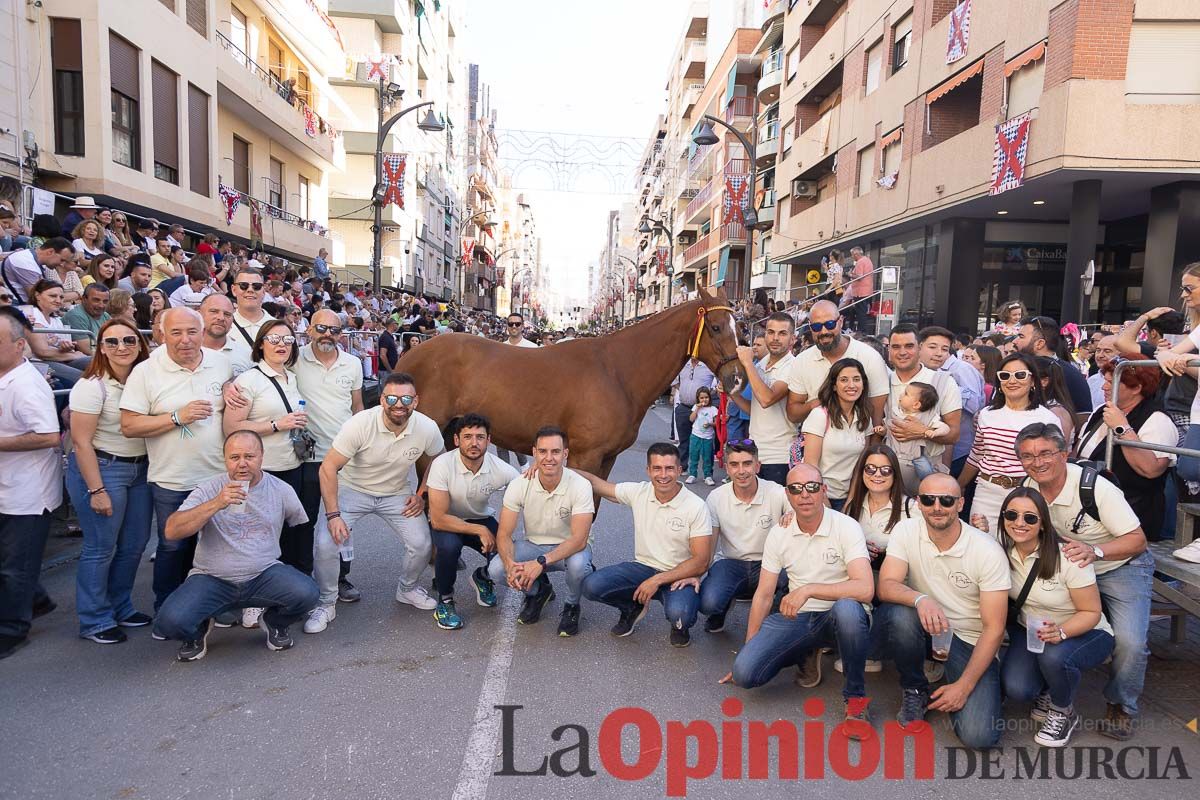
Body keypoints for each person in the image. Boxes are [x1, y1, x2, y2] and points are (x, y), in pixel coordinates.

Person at [1017, 422, 1152, 741]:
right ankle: (1053, 689)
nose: (1037, 462)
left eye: (1046, 453)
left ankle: (1121, 704)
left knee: (1131, 641)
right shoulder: (1029, 486)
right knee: (1047, 621)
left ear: (1065, 454)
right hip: (1072, 570)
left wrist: (1096, 551)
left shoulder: (1095, 488)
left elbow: (1138, 540)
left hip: (1120, 564)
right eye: (1027, 456)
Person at [720, 463, 874, 726]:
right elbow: (764, 594)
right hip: (800, 618)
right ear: (788, 495)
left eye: (812, 487)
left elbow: (865, 589)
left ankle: (856, 699)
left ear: (823, 490)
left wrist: (809, 590)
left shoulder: (846, 526)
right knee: (745, 673)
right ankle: (805, 649)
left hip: (840, 617)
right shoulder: (780, 532)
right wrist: (750, 646)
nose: (805, 494)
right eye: (796, 489)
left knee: (847, 609)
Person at [152, 431, 318, 662]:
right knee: (168, 623)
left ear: (261, 457)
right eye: (234, 457)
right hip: (212, 578)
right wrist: (216, 503)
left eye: (249, 456)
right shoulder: (210, 489)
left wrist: (292, 570)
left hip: (263, 574)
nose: (242, 464)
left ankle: (274, 622)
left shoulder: (281, 490)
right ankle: (198, 630)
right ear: (225, 460)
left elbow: (299, 528)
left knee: (308, 592)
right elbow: (171, 531)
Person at [876, 473, 1010, 748]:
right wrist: (921, 599)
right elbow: (886, 586)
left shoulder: (986, 550)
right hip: (926, 626)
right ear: (918, 503)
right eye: (929, 499)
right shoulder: (906, 530)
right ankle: (915, 688)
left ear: (960, 504)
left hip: (968, 639)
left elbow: (994, 628)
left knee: (980, 737)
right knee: (899, 614)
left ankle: (969, 681)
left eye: (946, 500)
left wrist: (965, 687)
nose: (937, 507)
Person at [307, 372, 443, 634]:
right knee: (326, 542)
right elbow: (327, 468)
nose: (398, 404)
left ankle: (408, 589)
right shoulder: (360, 424)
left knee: (422, 543)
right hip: (352, 490)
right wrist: (333, 515)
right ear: (382, 399)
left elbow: (439, 461)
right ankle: (326, 602)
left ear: (416, 401)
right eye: (392, 397)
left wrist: (421, 493)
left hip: (396, 492)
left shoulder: (427, 427)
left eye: (405, 398)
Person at [119, 307, 233, 612]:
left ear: (203, 332)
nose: (185, 340)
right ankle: (167, 609)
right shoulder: (145, 371)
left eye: (192, 332)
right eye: (176, 333)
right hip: (173, 479)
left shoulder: (221, 363)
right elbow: (129, 425)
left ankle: (211, 608)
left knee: (216, 547)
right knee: (172, 546)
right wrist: (176, 417)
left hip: (216, 476)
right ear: (161, 334)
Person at [997, 487, 1115, 748]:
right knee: (1018, 689)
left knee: (1055, 656)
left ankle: (1063, 710)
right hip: (1033, 632)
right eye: (1011, 514)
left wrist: (1061, 632)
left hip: (1086, 632)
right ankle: (1049, 688)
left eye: (1030, 517)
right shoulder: (1002, 552)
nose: (1019, 523)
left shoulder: (1068, 557)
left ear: (1042, 523)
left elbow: (1092, 612)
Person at [65, 319, 153, 644]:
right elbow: (81, 443)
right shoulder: (92, 386)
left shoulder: (145, 380)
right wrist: (96, 489)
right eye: (112, 342)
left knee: (134, 545)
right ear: (101, 347)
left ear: (139, 344)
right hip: (103, 469)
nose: (122, 347)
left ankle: (121, 606)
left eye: (129, 340)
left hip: (139, 470)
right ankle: (95, 619)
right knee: (100, 548)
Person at [578, 443, 713, 647]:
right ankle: (631, 607)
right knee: (591, 586)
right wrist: (555, 467)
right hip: (643, 568)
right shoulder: (640, 492)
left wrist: (657, 580)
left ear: (679, 470)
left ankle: (679, 626)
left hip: (679, 575)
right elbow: (597, 484)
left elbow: (701, 561)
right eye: (657, 468)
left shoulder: (696, 506)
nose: (663, 475)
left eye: (669, 468)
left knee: (680, 615)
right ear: (648, 470)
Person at [223, 321, 309, 622]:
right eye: (274, 339)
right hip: (264, 472)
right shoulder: (249, 381)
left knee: (288, 537)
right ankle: (253, 600)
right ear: (261, 344)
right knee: (259, 538)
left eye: (287, 338)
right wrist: (276, 425)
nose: (281, 344)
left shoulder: (291, 377)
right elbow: (231, 427)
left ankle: (286, 597)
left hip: (292, 465)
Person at [488, 426, 595, 635]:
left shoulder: (580, 485)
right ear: (534, 453)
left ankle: (572, 606)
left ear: (565, 453)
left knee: (579, 565)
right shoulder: (519, 484)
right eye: (543, 451)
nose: (549, 458)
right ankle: (538, 591)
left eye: (555, 452)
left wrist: (540, 563)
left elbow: (579, 540)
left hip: (570, 549)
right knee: (496, 569)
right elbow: (504, 534)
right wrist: (510, 565)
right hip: (533, 545)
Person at [0, 309, 62, 660]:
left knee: (13, 565)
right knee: (11, 562)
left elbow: (48, 435)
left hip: (27, 492)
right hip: (8, 487)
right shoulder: (6, 376)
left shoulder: (26, 385)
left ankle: (11, 630)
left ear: (20, 345)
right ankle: (35, 599)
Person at [294, 309, 364, 607]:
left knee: (341, 522)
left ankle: (340, 577)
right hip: (307, 458)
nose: (328, 335)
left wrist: (362, 446)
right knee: (304, 522)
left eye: (334, 331)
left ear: (341, 334)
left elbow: (358, 407)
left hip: (343, 460)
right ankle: (301, 578)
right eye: (321, 328)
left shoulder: (353, 363)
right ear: (309, 329)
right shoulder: (293, 358)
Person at [426, 414, 521, 630]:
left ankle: (483, 577)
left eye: (480, 437)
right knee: (449, 548)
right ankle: (445, 601)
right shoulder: (442, 464)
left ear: (489, 441)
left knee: (507, 550)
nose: (474, 443)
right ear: (457, 440)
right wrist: (479, 530)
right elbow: (439, 519)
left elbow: (529, 491)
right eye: (467, 436)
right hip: (449, 522)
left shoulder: (501, 468)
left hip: (480, 517)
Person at [959, 353, 1061, 532]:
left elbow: (1056, 464)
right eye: (1005, 376)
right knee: (982, 547)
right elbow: (977, 454)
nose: (1012, 381)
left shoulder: (1047, 418)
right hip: (987, 492)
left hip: (1028, 493)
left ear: (1032, 381)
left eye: (1020, 375)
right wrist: (959, 485)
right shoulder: (987, 414)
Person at [697, 440, 790, 634]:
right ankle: (722, 606)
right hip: (731, 562)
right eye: (734, 464)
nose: (741, 471)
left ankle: (772, 620)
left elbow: (802, 510)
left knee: (791, 582)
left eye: (747, 463)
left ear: (757, 465)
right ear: (727, 468)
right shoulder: (716, 497)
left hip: (769, 563)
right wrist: (697, 575)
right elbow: (711, 546)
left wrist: (793, 514)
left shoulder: (776, 492)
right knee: (708, 603)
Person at [785, 300, 888, 429]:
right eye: (816, 327)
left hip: (859, 444)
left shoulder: (870, 357)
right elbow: (793, 415)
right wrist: (816, 404)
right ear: (810, 327)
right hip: (815, 444)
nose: (823, 331)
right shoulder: (802, 360)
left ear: (841, 321)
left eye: (830, 324)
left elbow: (877, 420)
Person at [885, 325, 963, 491]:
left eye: (909, 346)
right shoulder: (882, 381)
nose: (902, 352)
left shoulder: (943, 382)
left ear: (919, 348)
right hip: (887, 476)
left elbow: (954, 433)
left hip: (926, 475)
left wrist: (922, 432)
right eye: (896, 347)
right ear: (889, 350)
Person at [730, 315, 797, 485]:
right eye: (771, 332)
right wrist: (732, 393)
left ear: (793, 339)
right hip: (755, 452)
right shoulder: (760, 365)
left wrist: (748, 364)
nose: (775, 338)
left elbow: (767, 399)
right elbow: (755, 410)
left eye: (782, 333)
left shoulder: (793, 366)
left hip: (779, 457)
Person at [801, 358, 874, 509]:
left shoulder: (864, 417)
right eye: (844, 380)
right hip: (818, 496)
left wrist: (851, 499)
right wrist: (822, 499)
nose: (851, 385)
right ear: (834, 386)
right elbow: (810, 465)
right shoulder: (819, 415)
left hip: (849, 497)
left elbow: (860, 465)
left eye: (856, 379)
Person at [1015, 316, 1092, 420]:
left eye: (1021, 336)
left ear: (1040, 343)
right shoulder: (1016, 369)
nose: (1015, 341)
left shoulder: (1067, 373)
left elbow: (1083, 417)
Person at [20, 279, 92, 386]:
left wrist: (66, 348)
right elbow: (42, 353)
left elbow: (62, 348)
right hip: (40, 363)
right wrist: (73, 355)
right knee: (83, 379)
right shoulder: (33, 315)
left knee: (99, 362)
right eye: (53, 296)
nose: (58, 300)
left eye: (61, 297)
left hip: (60, 359)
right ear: (37, 296)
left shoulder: (56, 320)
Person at [1, 237, 74, 305]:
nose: (62, 265)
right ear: (50, 252)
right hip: (12, 307)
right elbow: (39, 298)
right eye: (62, 260)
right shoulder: (25, 261)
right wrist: (76, 295)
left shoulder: (33, 260)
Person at [198, 293, 252, 377]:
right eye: (214, 311)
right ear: (199, 314)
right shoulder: (183, 352)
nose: (221, 318)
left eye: (227, 314)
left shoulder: (246, 355)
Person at [230, 267, 275, 349]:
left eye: (256, 286)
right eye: (243, 285)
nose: (250, 290)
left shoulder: (277, 327)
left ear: (264, 291)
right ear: (234, 290)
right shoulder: (224, 325)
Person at [62, 283, 111, 357]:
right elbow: (87, 349)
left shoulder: (105, 316)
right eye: (96, 300)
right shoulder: (76, 316)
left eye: (105, 301)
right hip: (78, 359)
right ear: (84, 299)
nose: (101, 305)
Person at [686, 386, 718, 485]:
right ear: (698, 399)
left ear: (710, 398)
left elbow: (716, 423)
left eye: (706, 397)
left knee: (708, 457)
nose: (704, 400)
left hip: (708, 437)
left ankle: (708, 475)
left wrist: (710, 424)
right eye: (702, 398)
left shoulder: (713, 409)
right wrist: (697, 409)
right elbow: (691, 419)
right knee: (693, 455)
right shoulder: (696, 407)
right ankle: (692, 474)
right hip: (695, 435)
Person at [840, 245, 875, 333]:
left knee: (861, 313)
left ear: (856, 254)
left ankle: (862, 331)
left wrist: (850, 274)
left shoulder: (860, 262)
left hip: (861, 292)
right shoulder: (867, 260)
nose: (852, 257)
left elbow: (859, 276)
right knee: (861, 312)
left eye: (852, 255)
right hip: (866, 290)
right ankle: (861, 330)